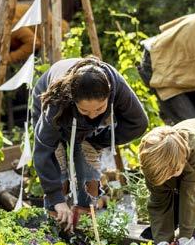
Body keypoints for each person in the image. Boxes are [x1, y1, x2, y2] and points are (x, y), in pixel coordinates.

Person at [32, 57, 148, 231]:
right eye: (85, 110)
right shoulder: (56, 100)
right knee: (59, 166)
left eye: (99, 109)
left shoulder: (117, 86)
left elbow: (138, 123)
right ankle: (55, 227)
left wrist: (99, 140)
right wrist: (56, 198)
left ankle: (84, 224)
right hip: (53, 107)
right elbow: (43, 151)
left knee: (87, 164)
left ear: (109, 96)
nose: (93, 115)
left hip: (87, 129)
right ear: (73, 100)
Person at [0, 0, 69, 64]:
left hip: (57, 36)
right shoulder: (1, 23)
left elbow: (34, 43)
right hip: (48, 39)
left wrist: (7, 59)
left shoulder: (9, 24)